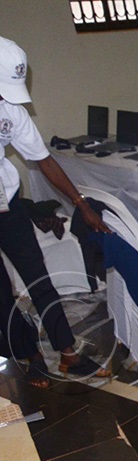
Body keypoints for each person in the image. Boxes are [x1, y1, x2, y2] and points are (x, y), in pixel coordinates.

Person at [0, 35, 112, 388]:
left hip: (7, 204)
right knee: (0, 295)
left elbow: (43, 160)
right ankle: (30, 355)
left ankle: (68, 354)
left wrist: (80, 203)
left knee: (39, 281)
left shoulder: (11, 110)